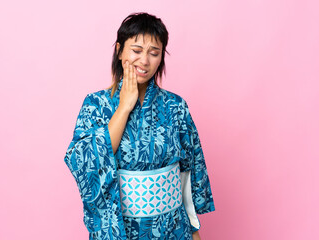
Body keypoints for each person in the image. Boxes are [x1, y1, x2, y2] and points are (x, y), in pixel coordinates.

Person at [64, 12, 215, 240]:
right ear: (119, 50)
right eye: (136, 50)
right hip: (122, 229)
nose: (144, 61)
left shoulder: (176, 106)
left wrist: (194, 229)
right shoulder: (96, 104)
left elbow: (188, 171)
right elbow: (84, 162)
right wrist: (124, 106)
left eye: (154, 53)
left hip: (173, 228)